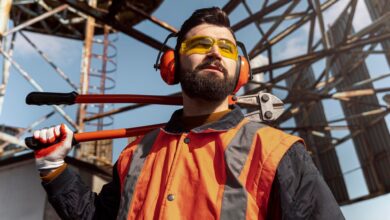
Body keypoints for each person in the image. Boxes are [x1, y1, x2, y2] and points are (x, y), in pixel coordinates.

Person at [31, 7, 344, 220]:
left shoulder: (278, 153)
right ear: (172, 65)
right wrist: (53, 166)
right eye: (201, 44)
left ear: (241, 71)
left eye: (228, 48)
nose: (215, 52)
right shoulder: (134, 155)